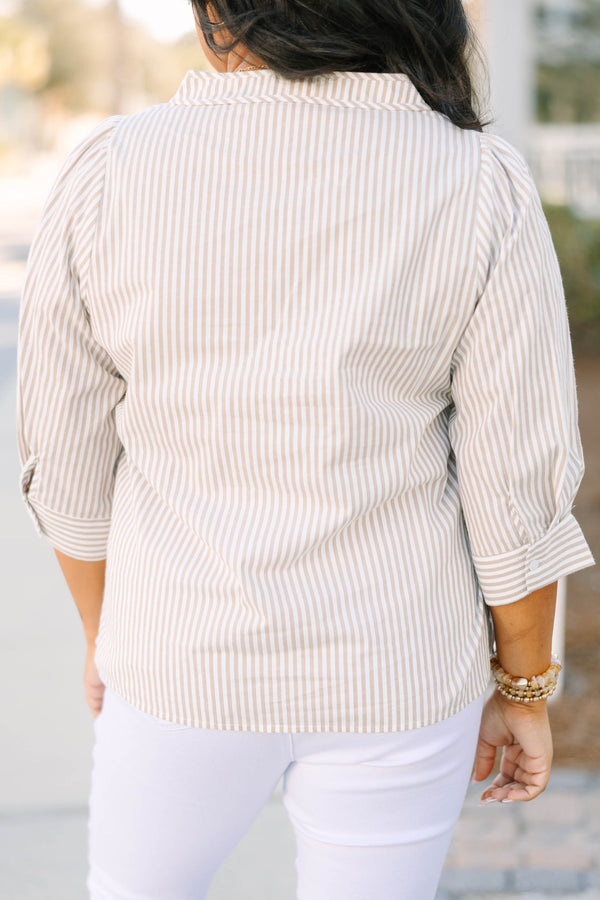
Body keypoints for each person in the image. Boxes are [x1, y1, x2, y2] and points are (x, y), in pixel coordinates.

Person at [16, 2, 595, 898]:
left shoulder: (110, 173)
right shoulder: (478, 183)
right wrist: (522, 691)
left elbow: (64, 462)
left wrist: (107, 633)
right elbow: (515, 488)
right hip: (398, 671)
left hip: (182, 659)